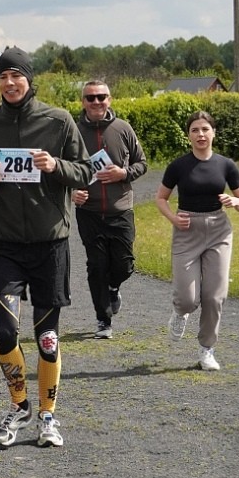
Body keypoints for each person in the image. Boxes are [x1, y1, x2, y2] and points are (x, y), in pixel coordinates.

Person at [0, 47, 94, 449]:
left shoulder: (58, 120)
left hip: (50, 244)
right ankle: (19, 407)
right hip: (3, 245)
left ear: (30, 80)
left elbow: (86, 169)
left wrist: (56, 166)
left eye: (16, 76)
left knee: (47, 338)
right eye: (3, 76)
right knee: (5, 333)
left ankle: (48, 416)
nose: (9, 83)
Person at [155, 111, 239, 372]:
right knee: (188, 298)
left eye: (205, 129)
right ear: (188, 135)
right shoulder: (178, 166)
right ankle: (179, 313)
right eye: (195, 130)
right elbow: (161, 198)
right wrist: (174, 219)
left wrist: (235, 201)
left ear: (213, 133)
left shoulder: (226, 165)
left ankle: (206, 350)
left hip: (219, 231)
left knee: (214, 296)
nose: (200, 134)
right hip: (187, 230)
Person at [70, 79, 148, 340]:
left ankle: (114, 288)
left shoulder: (123, 129)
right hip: (89, 212)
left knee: (124, 265)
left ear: (110, 99)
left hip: (121, 210)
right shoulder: (73, 131)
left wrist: (123, 173)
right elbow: (61, 169)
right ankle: (103, 320)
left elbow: (142, 163)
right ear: (83, 102)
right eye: (90, 98)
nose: (96, 102)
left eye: (101, 97)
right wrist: (71, 191)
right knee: (97, 265)